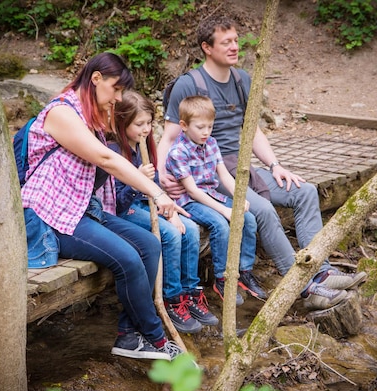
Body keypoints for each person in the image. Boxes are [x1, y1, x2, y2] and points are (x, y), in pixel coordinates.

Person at [157, 16, 366, 311]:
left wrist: (275, 165)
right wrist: (163, 178)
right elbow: (168, 137)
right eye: (226, 42)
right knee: (264, 210)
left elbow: (252, 130)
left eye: (236, 40)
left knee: (304, 191)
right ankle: (303, 285)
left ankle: (321, 270)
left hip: (244, 169)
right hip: (211, 174)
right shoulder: (189, 85)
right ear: (207, 47)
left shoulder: (243, 80)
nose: (234, 46)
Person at [21, 52, 184, 360]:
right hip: (51, 215)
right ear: (96, 79)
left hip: (83, 208)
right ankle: (157, 338)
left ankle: (128, 335)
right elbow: (107, 159)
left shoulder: (89, 114)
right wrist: (159, 194)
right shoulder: (61, 113)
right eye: (115, 89)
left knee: (148, 245)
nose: (118, 97)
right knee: (128, 259)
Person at [108, 90, 218, 334]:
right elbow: (117, 203)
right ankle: (171, 297)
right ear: (122, 121)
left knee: (188, 228)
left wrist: (170, 209)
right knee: (169, 234)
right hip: (125, 212)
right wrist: (136, 179)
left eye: (149, 123)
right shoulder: (114, 151)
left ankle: (189, 291)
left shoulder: (144, 144)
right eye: (139, 124)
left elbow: (155, 186)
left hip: (147, 205)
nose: (146, 129)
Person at [165, 95, 268, 307]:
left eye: (210, 127)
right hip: (189, 201)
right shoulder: (178, 152)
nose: (206, 132)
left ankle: (244, 271)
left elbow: (224, 176)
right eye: (200, 127)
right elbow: (192, 191)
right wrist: (224, 210)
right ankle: (222, 278)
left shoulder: (211, 143)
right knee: (221, 225)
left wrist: (239, 200)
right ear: (183, 126)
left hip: (211, 195)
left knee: (247, 217)